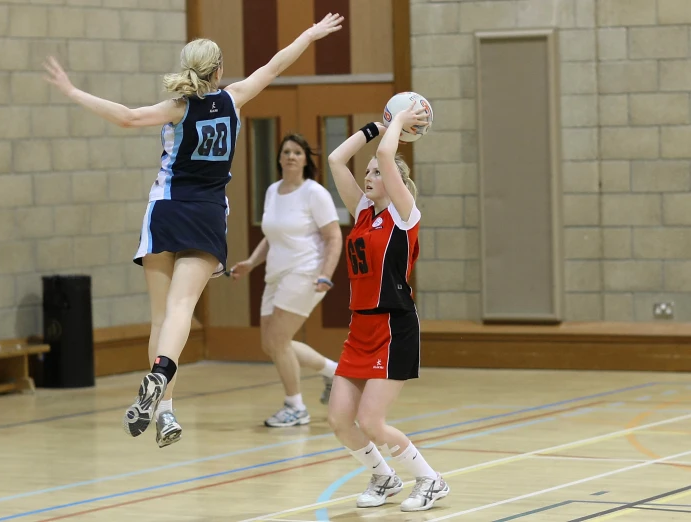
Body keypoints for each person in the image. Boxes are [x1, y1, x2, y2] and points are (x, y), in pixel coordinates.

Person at [42, 13, 344, 449]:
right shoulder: (234, 99)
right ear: (218, 70)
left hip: (165, 210)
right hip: (206, 214)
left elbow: (126, 117)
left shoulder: (176, 109)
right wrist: (310, 34)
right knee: (184, 308)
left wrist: (72, 91)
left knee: (161, 314)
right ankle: (162, 382)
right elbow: (276, 65)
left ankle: (166, 406)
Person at [325, 104, 450, 512]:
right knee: (340, 420)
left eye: (377, 174)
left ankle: (430, 480)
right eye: (368, 175)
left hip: (395, 327)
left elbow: (384, 155)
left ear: (397, 182)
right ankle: (384, 475)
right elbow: (335, 159)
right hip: (359, 327)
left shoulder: (404, 215)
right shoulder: (364, 214)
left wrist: (397, 121)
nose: (369, 176)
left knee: (371, 422)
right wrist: (374, 126)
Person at [229, 133, 342, 428]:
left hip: (306, 272)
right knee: (272, 344)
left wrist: (326, 275)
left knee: (278, 340)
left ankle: (295, 406)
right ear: (279, 159)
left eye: (297, 152)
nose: (291, 156)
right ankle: (334, 372)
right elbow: (271, 235)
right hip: (275, 274)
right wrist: (252, 263)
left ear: (305, 160)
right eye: (286, 152)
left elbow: (333, 238)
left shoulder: (314, 193)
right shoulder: (272, 191)